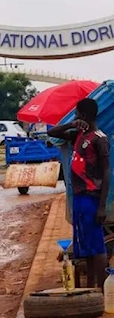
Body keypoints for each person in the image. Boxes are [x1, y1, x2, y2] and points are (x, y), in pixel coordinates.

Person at [47, 98, 109, 290]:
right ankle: (89, 287)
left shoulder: (99, 139)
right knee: (85, 247)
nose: (74, 116)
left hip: (92, 198)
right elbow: (52, 132)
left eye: (76, 114)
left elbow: (106, 173)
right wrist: (71, 124)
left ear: (83, 115)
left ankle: (101, 289)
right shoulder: (77, 135)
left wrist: (101, 206)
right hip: (79, 199)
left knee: (97, 247)